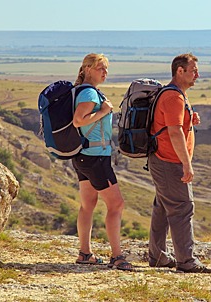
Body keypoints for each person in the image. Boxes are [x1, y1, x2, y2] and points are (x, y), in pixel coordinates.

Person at [147, 53, 211, 273]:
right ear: (180, 71)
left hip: (163, 160)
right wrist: (187, 164)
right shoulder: (173, 97)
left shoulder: (177, 95)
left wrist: (189, 118)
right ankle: (186, 261)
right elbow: (174, 133)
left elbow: (173, 125)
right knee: (182, 208)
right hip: (170, 161)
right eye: (193, 70)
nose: (198, 75)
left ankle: (157, 256)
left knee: (163, 208)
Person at [71, 53, 132, 271]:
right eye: (100, 68)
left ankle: (85, 253)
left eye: (106, 69)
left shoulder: (80, 91)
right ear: (87, 69)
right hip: (95, 157)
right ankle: (117, 256)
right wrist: (105, 111)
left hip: (82, 156)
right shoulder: (88, 93)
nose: (104, 72)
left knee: (88, 205)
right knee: (116, 204)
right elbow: (79, 120)